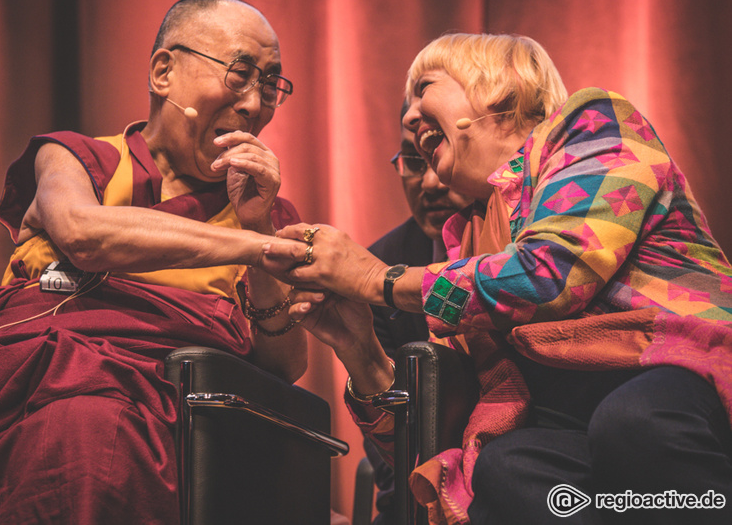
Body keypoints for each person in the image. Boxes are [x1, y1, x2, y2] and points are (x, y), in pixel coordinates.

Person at [262, 33, 732, 524]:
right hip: (575, 423)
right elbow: (431, 441)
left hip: (679, 372)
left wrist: (379, 279)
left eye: (425, 87)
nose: (409, 114)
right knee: (505, 469)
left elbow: (548, 275)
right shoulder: (464, 238)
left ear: (495, 86)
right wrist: (359, 348)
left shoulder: (592, 123)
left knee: (635, 422)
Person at [0, 0, 310, 523]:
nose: (254, 103)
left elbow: (286, 366)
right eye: (240, 73)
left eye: (269, 84)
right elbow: (81, 233)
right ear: (163, 72)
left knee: (88, 431)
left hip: (145, 408)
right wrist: (259, 247)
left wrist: (258, 227)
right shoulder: (77, 157)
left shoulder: (264, 212)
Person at [365, 101, 469, 524]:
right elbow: (387, 445)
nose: (429, 182)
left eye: (439, 156)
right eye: (412, 160)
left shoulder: (526, 249)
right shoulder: (379, 265)